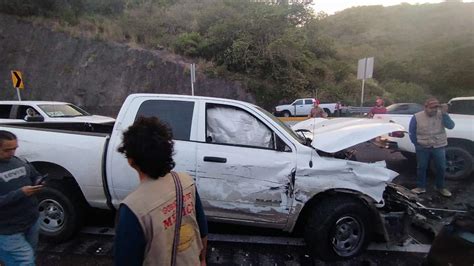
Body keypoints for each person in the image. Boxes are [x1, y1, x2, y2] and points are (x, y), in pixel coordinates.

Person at [114, 117, 208, 266]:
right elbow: (202, 231)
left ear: (131, 161)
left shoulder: (132, 209)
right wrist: (202, 260)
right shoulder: (186, 182)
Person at [0, 130, 44, 265]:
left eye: (15, 148)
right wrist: (21, 193)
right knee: (25, 261)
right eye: (7, 150)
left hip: (31, 221)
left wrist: (39, 181)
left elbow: (35, 175)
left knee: (30, 255)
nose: (12, 153)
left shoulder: (19, 161)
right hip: (7, 230)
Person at [409, 97, 455, 197]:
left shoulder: (441, 115)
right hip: (422, 147)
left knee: (441, 167)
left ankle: (440, 187)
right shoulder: (417, 117)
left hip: (439, 146)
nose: (433, 110)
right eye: (431, 108)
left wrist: (445, 114)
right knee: (421, 167)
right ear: (425, 107)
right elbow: (411, 132)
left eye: (435, 108)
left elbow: (451, 126)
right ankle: (421, 187)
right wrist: (417, 143)